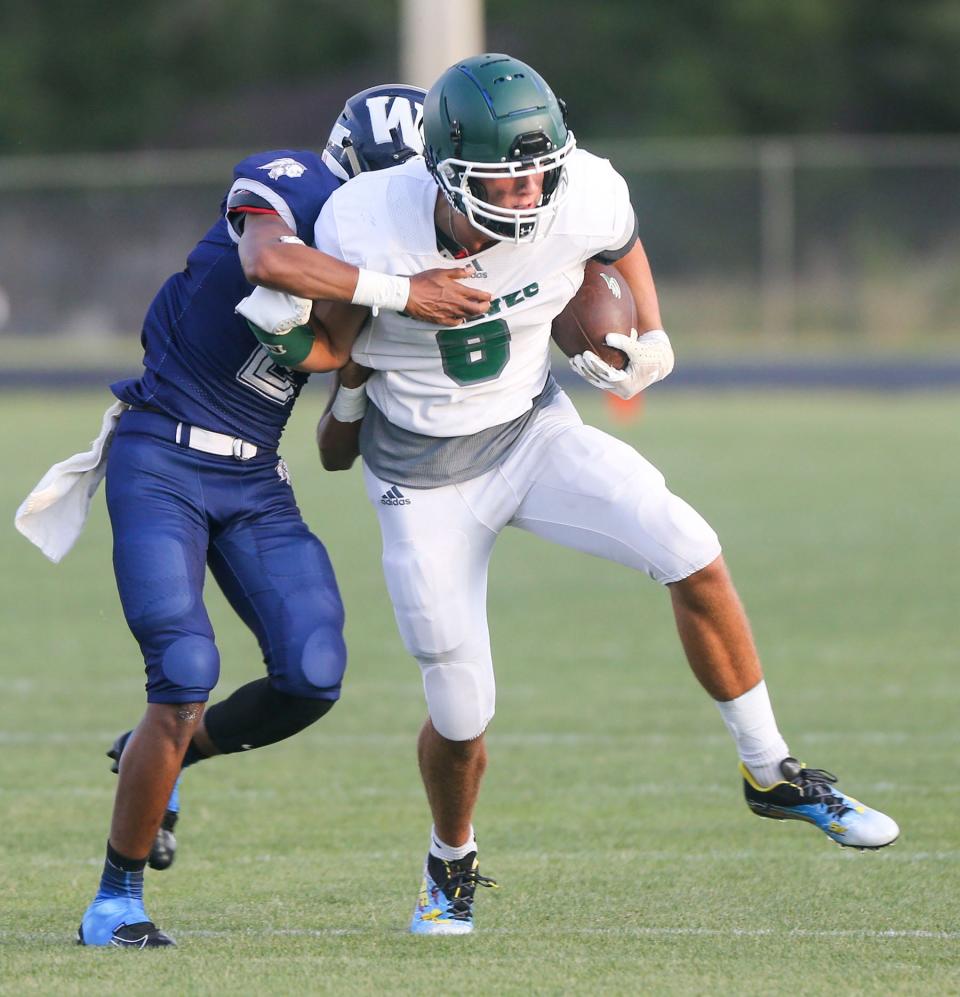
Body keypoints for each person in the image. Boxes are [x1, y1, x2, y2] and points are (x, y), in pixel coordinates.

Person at [302, 54, 899, 936]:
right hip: (423, 475)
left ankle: (769, 769)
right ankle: (450, 859)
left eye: (537, 175)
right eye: (501, 184)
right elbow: (323, 358)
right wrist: (351, 319)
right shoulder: (363, 222)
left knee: (688, 545)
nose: (526, 200)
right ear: (439, 172)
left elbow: (619, 244)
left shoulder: (581, 189)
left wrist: (651, 335)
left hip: (534, 431)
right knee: (461, 708)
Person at [73, 83, 492, 948]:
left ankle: (170, 754)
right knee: (184, 668)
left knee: (311, 672)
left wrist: (370, 368)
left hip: (255, 476)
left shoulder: (379, 259)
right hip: (162, 458)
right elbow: (268, 261)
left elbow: (337, 404)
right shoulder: (294, 183)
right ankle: (116, 899)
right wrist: (400, 293)